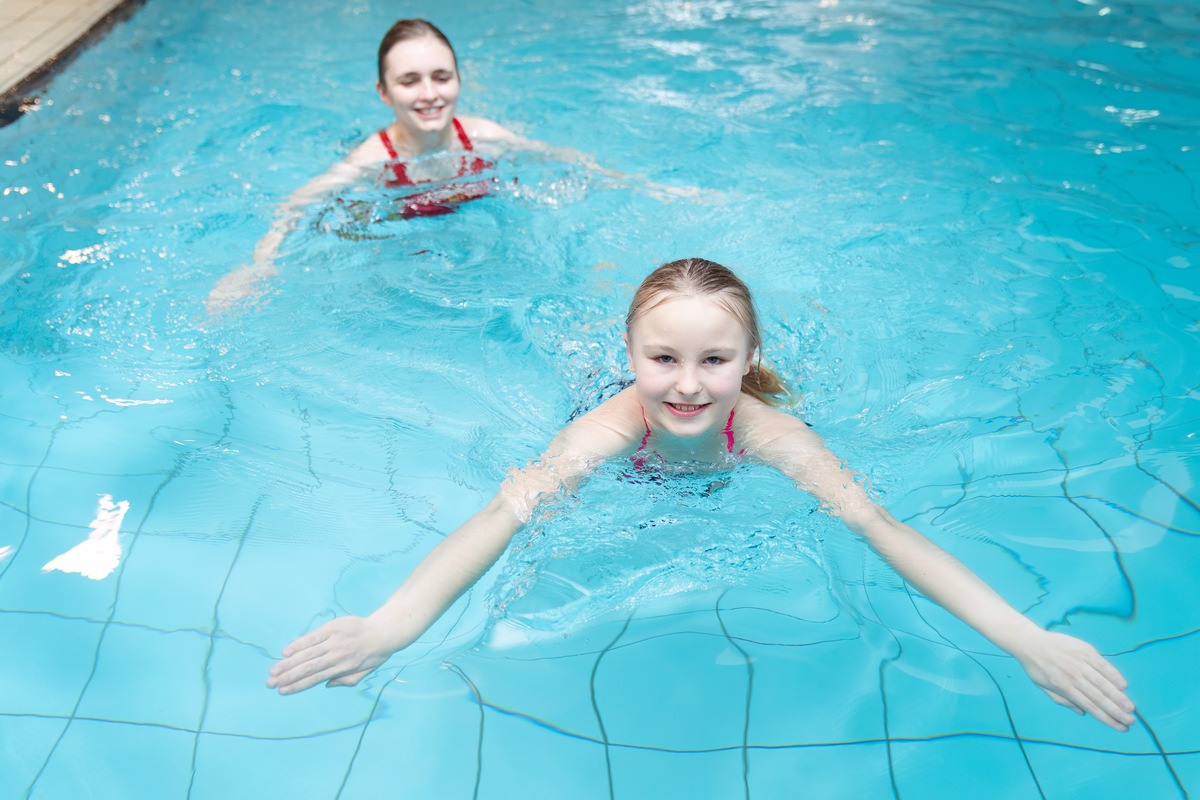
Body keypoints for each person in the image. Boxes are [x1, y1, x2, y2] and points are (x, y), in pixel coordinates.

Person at [266, 257, 1137, 733]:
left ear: (750, 360)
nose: (686, 388)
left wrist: (1025, 638)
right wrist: (390, 626)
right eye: (663, 359)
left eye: (715, 361)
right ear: (630, 358)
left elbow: (880, 528)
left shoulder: (772, 435)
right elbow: (503, 516)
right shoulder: (605, 429)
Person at [206, 19, 694, 314]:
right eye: (409, 80)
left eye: (441, 77)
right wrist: (255, 268)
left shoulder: (481, 137)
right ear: (384, 92)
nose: (429, 94)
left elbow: (570, 163)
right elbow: (297, 205)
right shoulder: (372, 162)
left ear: (459, 80)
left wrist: (652, 189)